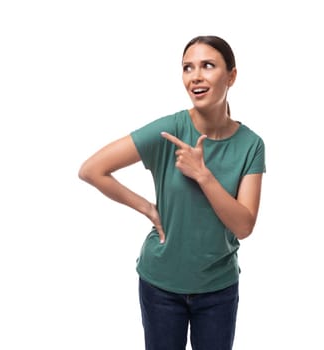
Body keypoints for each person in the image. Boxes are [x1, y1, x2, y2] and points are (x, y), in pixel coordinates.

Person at [78, 35, 266, 350]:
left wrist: (203, 175)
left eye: (208, 65)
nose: (196, 76)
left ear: (231, 76)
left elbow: (244, 226)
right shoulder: (169, 130)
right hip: (161, 285)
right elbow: (91, 170)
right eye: (187, 68)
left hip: (218, 289)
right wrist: (148, 209)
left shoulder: (251, 145)